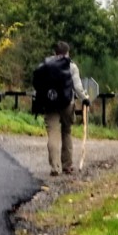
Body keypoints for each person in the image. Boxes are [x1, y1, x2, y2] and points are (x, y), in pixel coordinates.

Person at [35, 41, 89, 175]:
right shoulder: (72, 66)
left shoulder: (46, 65)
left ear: (55, 53)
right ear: (67, 53)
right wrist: (85, 99)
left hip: (50, 104)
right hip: (67, 104)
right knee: (66, 131)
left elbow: (38, 84)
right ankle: (67, 165)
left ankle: (55, 167)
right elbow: (77, 87)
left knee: (53, 134)